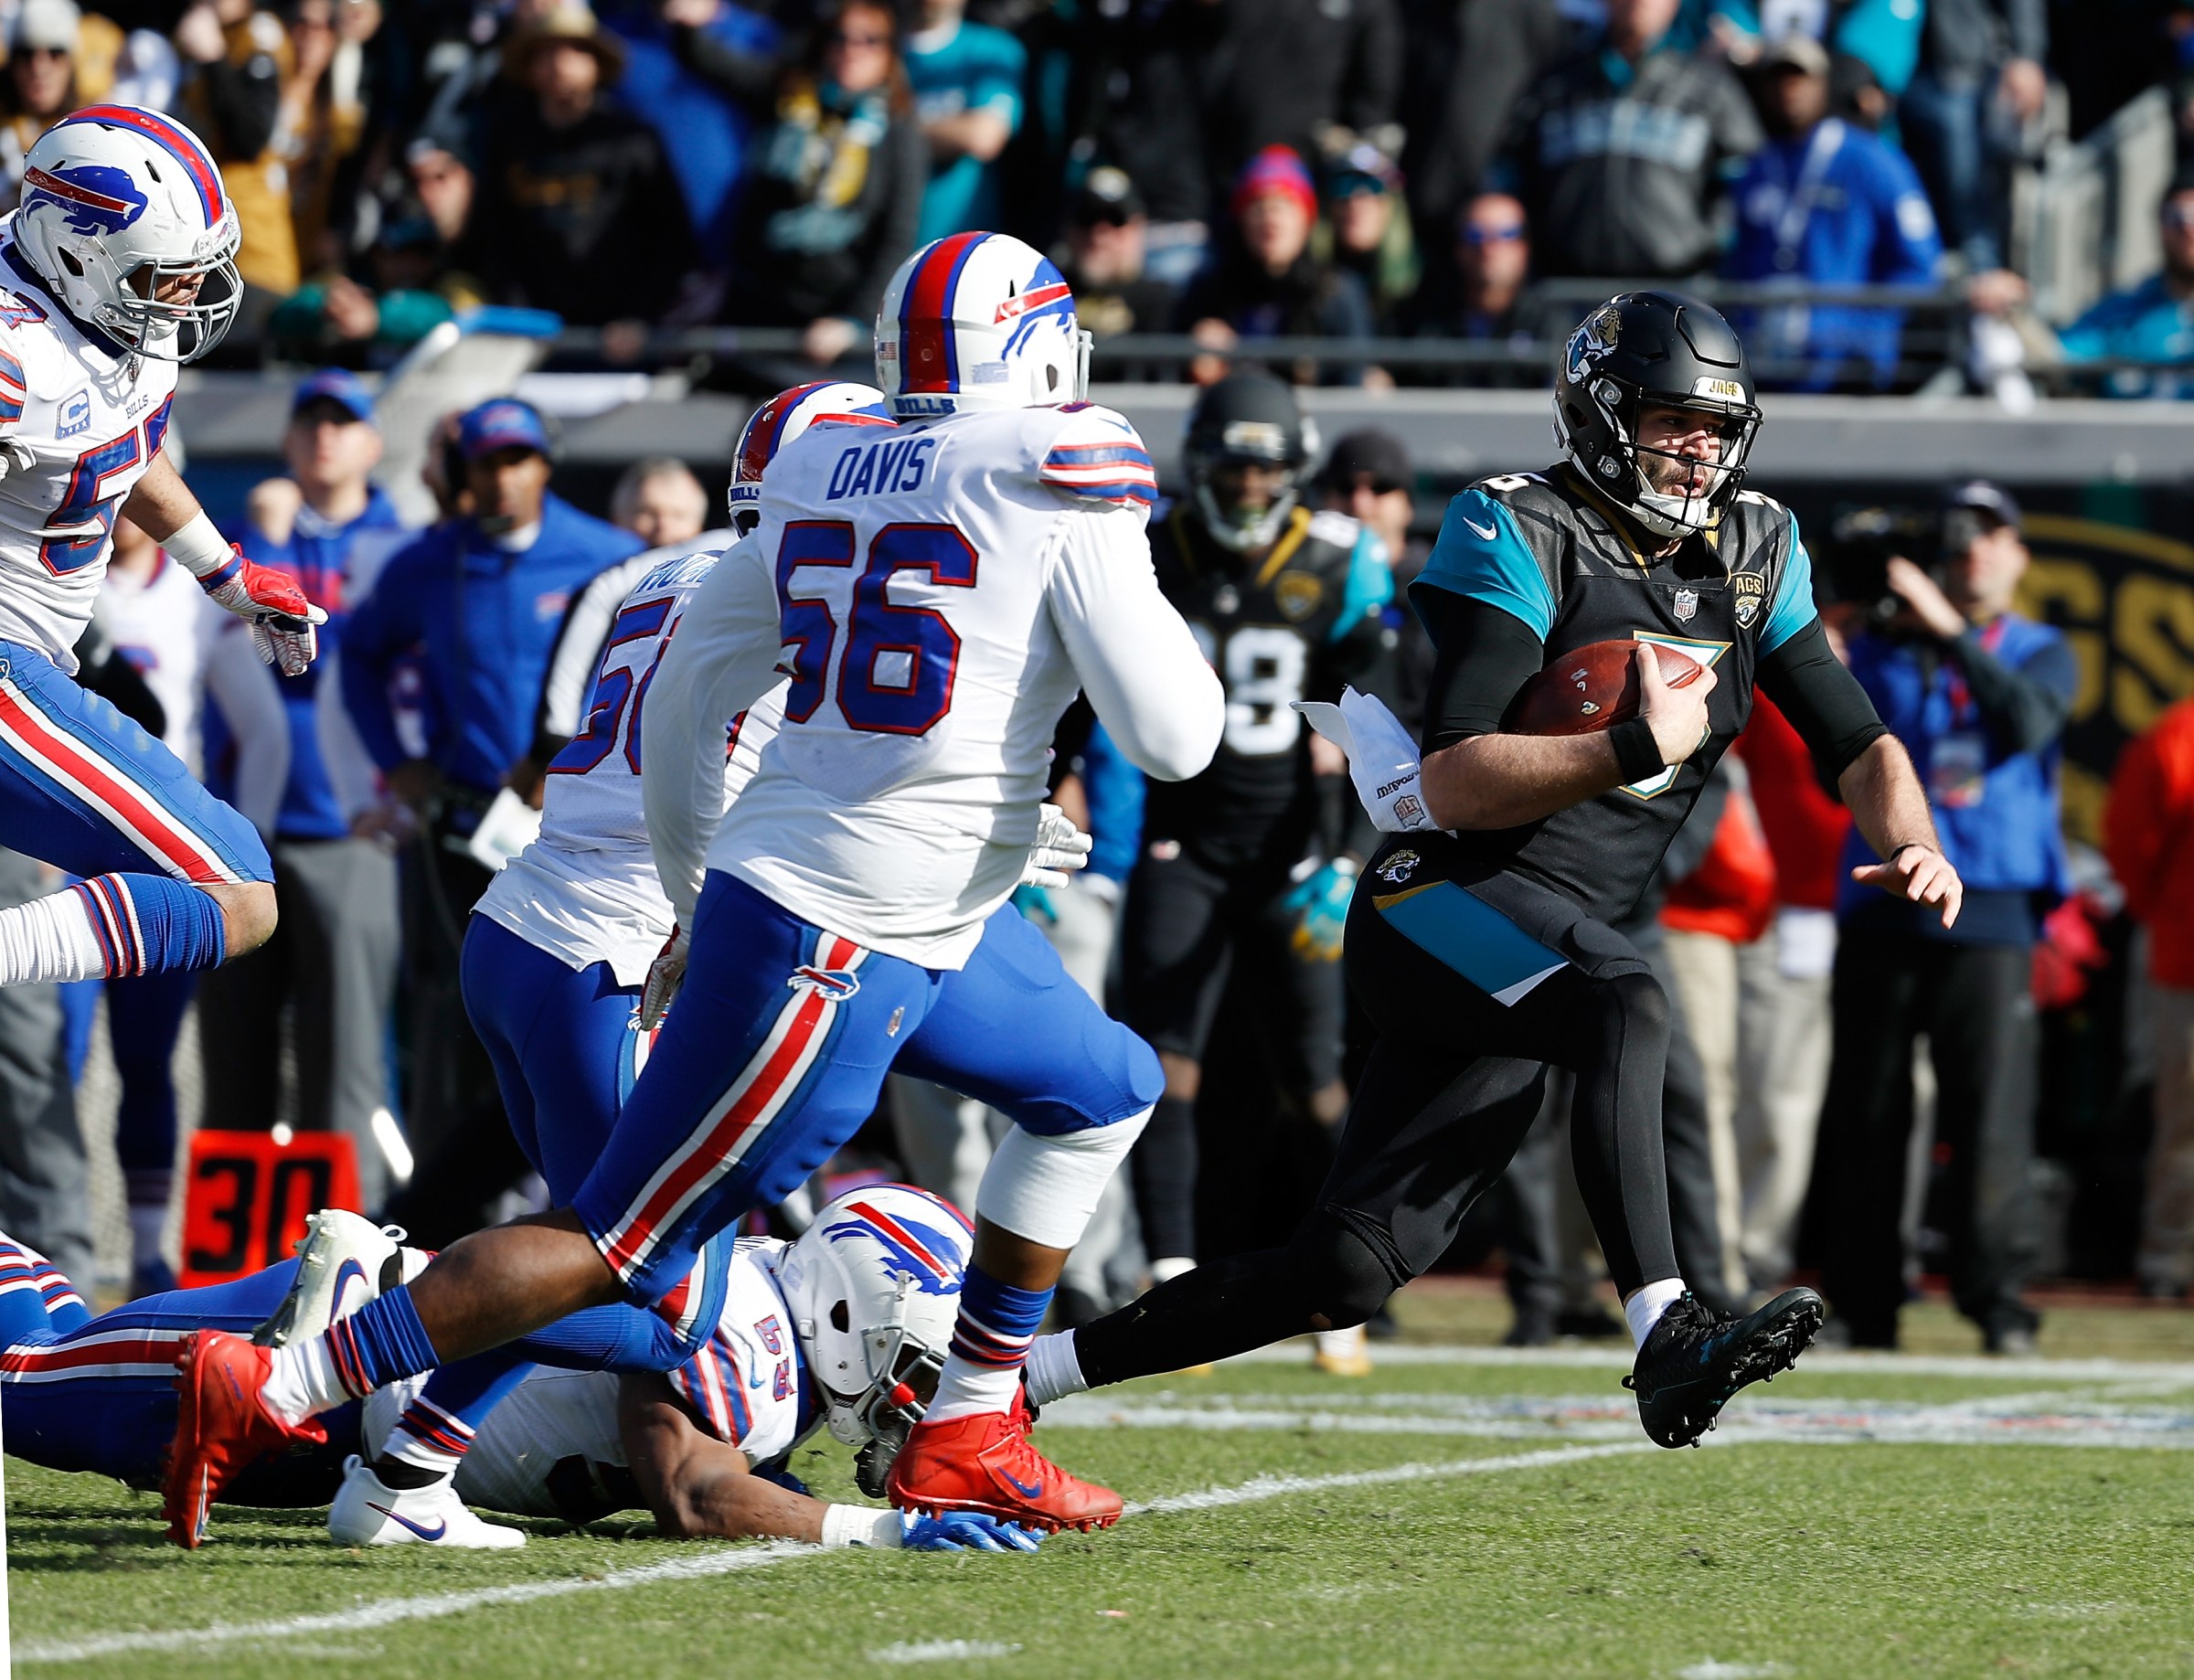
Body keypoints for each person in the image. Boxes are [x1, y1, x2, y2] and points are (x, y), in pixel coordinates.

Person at [162, 231, 1225, 1547]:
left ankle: (969, 1421)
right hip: (836, 923)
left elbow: (688, 717)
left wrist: (704, 890)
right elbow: (1179, 735)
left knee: (1100, 1084)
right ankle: (287, 1382)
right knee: (630, 1249)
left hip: (887, 900)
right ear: (1048, 349)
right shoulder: (1055, 466)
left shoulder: (822, 473)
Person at [1019, 290, 1966, 1451]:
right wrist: (1628, 742)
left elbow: (1857, 737)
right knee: (1628, 1000)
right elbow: (1455, 773)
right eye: (1674, 420)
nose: (1699, 450)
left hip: (1546, 938)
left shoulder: (1759, 545)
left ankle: (1016, 1380)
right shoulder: (1516, 523)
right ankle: (1664, 1331)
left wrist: (1909, 837)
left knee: (1345, 1270)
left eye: (1717, 427)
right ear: (1603, 411)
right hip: (1439, 899)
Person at [363, 383, 892, 1538]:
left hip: (523, 927)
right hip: (611, 957)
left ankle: (405, 1471)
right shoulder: (813, 598)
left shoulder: (659, 571)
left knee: (579, 1243)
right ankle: (360, 1315)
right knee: (656, 1295)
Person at [0, 1196, 1039, 1553]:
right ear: (851, 1312)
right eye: (917, 1366)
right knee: (21, 1381)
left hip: (350, 1433)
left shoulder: (779, 1345)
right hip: (330, 1368)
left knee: (50, 1337)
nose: (919, 1398)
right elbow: (692, 1490)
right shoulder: (753, 1340)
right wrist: (885, 1528)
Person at [0, 107, 329, 994]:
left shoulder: (99, 306)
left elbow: (119, 445)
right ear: (75, 255)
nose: (186, 296)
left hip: (37, 661)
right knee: (234, 888)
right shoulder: (14, 354)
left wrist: (223, 571)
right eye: (161, 275)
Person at [1119, 373, 1390, 1370]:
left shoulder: (1338, 555)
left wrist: (1351, 854)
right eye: (1230, 467)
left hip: (1293, 850)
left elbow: (1378, 708)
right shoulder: (1148, 545)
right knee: (1164, 1064)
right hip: (1179, 840)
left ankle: (1341, 1288)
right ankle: (1170, 1274)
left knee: (1313, 1073)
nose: (1244, 487)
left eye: (1263, 467)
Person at [336, 395, 643, 1243]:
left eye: (519, 460)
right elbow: (358, 656)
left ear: (545, 464)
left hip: (584, 834)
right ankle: (438, 1233)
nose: (503, 479)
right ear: (461, 474)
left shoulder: (607, 559)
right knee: (455, 1026)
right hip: (464, 833)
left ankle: (555, 1221)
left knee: (588, 1015)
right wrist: (397, 765)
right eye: (486, 463)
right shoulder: (428, 563)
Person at [1818, 480, 2071, 1354]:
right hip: (1883, 901)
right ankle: (1864, 1302)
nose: (1974, 552)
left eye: (1993, 534)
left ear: (2019, 554)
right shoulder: (1886, 646)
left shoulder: (2039, 648)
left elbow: (2028, 721)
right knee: (1867, 1113)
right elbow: (1841, 759)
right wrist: (1847, 650)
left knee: (1990, 1117)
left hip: (1990, 908)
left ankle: (1998, 1305)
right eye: (1960, 538)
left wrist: (1951, 632)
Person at [195, 369, 410, 1209]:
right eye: (309, 421)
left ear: (373, 442)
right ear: (286, 441)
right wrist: (270, 547)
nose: (324, 436)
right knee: (233, 1070)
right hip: (238, 834)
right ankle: (221, 1279)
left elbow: (338, 659)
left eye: (343, 421)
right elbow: (240, 653)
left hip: (353, 830)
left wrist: (277, 552)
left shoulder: (400, 543)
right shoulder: (236, 541)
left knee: (345, 1071)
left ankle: (342, 1270)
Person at [91, 511, 289, 1292]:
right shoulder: (41, 575)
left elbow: (264, 732)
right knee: (43, 1063)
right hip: (47, 857)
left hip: (153, 862)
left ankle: (142, 1253)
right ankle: (43, 1240)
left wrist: (247, 859)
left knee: (143, 1060)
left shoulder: (189, 598)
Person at [1724, 34, 1943, 391]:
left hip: (1847, 373)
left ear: (1824, 85)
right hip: (1764, 367)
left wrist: (1863, 334)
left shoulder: (1873, 161)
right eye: (1778, 79)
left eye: (1800, 78)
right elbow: (1738, 263)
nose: (1789, 90)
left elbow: (1918, 264)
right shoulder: (1757, 167)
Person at [463, 7, 698, 326]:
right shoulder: (507, 141)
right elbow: (492, 236)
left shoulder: (631, 140)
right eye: (547, 52)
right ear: (530, 67)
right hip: (533, 335)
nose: (560, 64)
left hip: (616, 340)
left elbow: (671, 239)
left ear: (596, 63)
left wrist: (639, 318)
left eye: (575, 50)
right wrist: (517, 313)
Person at [723, 0, 926, 367]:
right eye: (840, 37)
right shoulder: (787, 103)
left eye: (870, 40)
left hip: (839, 331)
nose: (852, 50)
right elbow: (718, 66)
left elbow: (898, 235)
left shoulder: (900, 131)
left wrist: (854, 320)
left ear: (890, 53)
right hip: (761, 315)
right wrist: (686, 27)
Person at [1497, 0, 1763, 281]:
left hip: (1675, 289)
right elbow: (1510, 171)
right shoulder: (1556, 84)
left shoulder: (1710, 88)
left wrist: (1714, 246)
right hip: (1567, 290)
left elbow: (1746, 181)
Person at [2106, 696, 2194, 1300]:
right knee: (2186, 1117)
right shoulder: (2178, 735)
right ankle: (2171, 1257)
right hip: (2187, 958)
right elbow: (2133, 846)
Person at [1181, 146, 1375, 387]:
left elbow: (1352, 384)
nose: (1271, 219)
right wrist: (1197, 361)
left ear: (1307, 220)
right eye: (1258, 205)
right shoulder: (1208, 290)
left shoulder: (1336, 292)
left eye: (1284, 205)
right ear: (1240, 220)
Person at [1897, 0, 2045, 278]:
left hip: (1960, 71)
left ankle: (1985, 288)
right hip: (1893, 69)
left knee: (1971, 197)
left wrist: (2027, 55)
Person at [175, 0, 297, 309]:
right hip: (204, 239)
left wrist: (213, 59)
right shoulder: (197, 36)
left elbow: (250, 138)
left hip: (250, 249)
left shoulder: (259, 35)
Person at [2055, 178, 2194, 399]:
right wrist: (2010, 315)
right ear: (2160, 227)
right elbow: (2054, 358)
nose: (2187, 230)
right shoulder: (2122, 313)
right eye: (2176, 217)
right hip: (2131, 430)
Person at [903, 0, 1022, 247]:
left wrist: (892, 133)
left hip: (966, 251)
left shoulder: (993, 50)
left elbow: (983, 137)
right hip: (874, 251)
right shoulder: (865, 44)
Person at [1053, 166, 1177, 341]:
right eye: (1087, 219)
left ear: (1137, 228)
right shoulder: (1049, 296)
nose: (1099, 235)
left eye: (1115, 221)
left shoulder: (1165, 304)